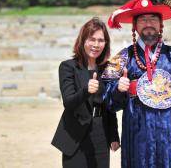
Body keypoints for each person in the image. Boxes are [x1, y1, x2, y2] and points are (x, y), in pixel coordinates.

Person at [102, 0, 171, 168]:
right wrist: (118, 89)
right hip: (137, 133)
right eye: (142, 20)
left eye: (153, 19)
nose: (148, 24)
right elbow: (107, 99)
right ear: (134, 25)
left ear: (160, 25)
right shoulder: (124, 57)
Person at [51, 17, 120, 168]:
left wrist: (114, 135)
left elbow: (109, 107)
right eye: (92, 39)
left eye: (101, 40)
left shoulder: (107, 69)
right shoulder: (68, 67)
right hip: (76, 136)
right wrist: (86, 90)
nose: (96, 45)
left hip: (101, 134)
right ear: (82, 40)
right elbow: (68, 102)